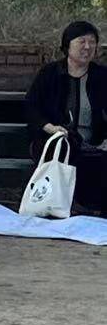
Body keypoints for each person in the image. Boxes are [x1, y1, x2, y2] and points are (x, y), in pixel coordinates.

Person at [23, 19, 107, 213]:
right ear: (67, 45)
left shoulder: (102, 76)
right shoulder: (50, 73)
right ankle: (67, 204)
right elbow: (31, 107)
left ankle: (94, 208)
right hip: (54, 140)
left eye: (92, 42)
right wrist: (50, 128)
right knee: (64, 151)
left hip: (93, 142)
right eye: (82, 41)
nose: (87, 47)